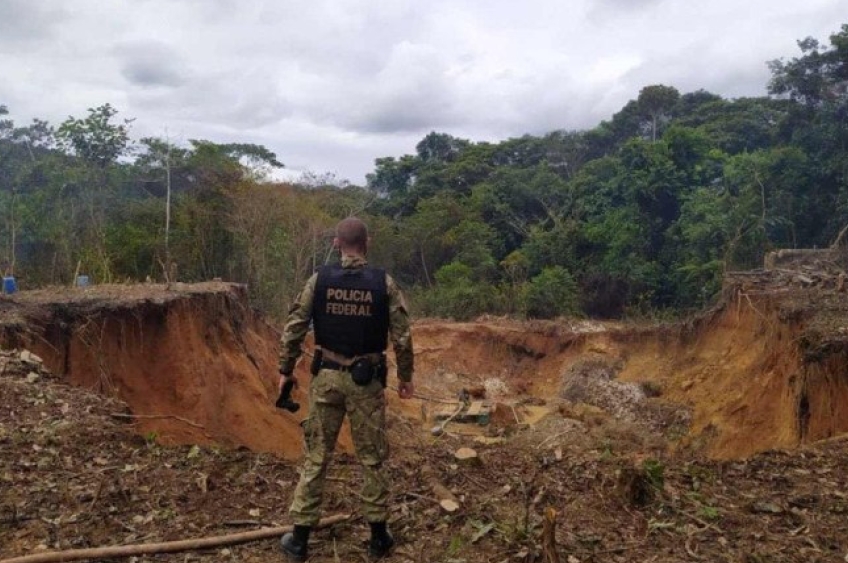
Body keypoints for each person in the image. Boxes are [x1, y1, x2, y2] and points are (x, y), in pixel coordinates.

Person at [277, 216, 415, 561]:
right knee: (372, 458)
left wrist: (286, 370)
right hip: (365, 382)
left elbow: (294, 326)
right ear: (366, 242)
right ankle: (378, 537)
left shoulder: (319, 280)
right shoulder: (383, 283)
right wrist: (406, 377)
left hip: (325, 378)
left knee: (317, 456)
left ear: (337, 243)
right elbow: (402, 335)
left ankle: (299, 539)